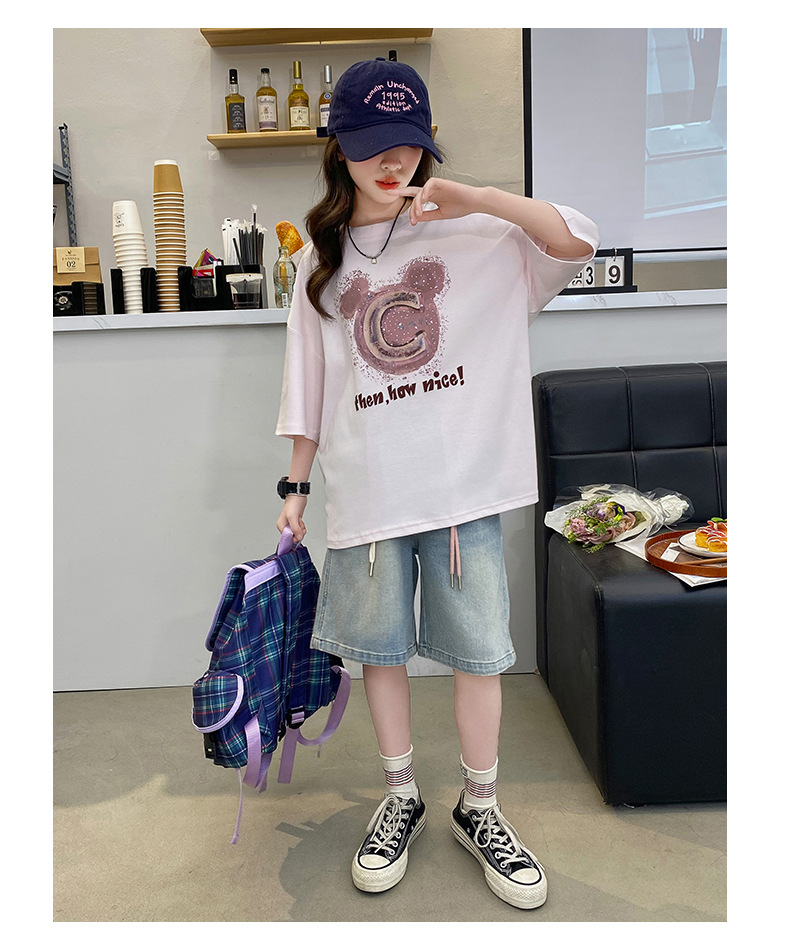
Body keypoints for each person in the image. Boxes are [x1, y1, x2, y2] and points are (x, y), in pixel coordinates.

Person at [275, 57, 599, 911]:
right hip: (369, 493)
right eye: (373, 146)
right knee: (378, 652)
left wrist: (481, 198)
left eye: (409, 145)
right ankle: (401, 794)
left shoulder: (480, 237)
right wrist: (293, 486)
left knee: (478, 655)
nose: (394, 164)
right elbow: (307, 381)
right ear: (338, 146)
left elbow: (577, 238)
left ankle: (479, 806)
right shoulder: (321, 258)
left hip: (464, 494)